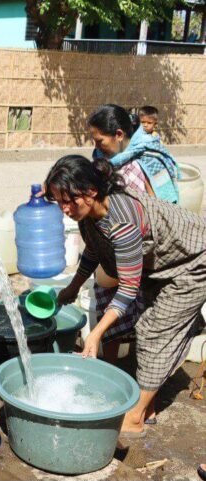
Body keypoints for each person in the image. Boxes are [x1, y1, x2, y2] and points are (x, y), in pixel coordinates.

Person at [47, 155, 206, 437]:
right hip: (163, 265)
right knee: (150, 323)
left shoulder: (123, 223)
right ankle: (149, 406)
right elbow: (94, 251)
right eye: (59, 202)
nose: (65, 209)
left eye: (69, 200)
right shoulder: (91, 214)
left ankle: (135, 418)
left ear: (91, 191)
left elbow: (128, 289)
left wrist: (95, 333)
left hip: (195, 261)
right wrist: (73, 287)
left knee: (153, 330)